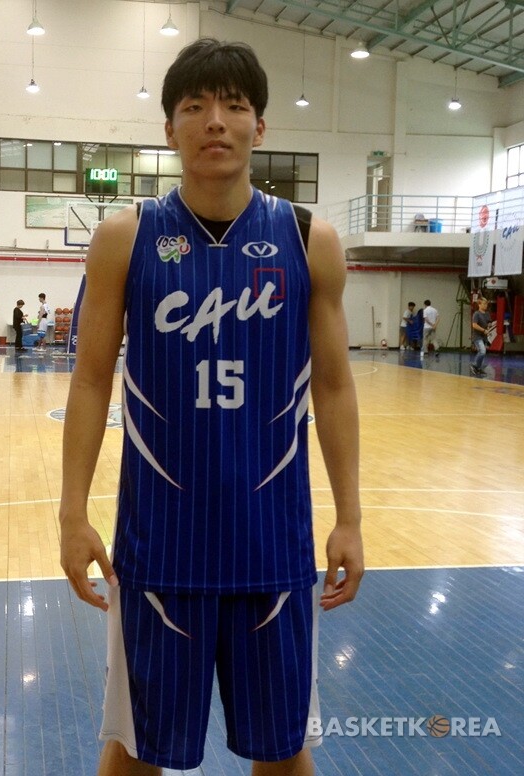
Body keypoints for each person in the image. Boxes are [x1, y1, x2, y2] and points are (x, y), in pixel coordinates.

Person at [59, 38, 364, 776]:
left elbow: (334, 385)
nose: (215, 121)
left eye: (234, 105)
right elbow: (91, 380)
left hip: (273, 548)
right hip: (160, 548)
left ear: (261, 125)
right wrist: (71, 514)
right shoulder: (125, 237)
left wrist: (350, 518)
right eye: (195, 106)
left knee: (284, 754)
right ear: (170, 129)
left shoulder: (308, 239)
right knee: (135, 756)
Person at [471, 297, 491, 376]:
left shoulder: (487, 314)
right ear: (479, 305)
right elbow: (474, 325)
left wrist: (488, 327)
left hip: (484, 337)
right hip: (477, 336)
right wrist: (483, 330)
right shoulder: (476, 314)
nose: (486, 305)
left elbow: (488, 323)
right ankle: (474, 365)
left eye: (486, 304)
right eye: (484, 304)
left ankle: (478, 368)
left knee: (482, 352)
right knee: (482, 351)